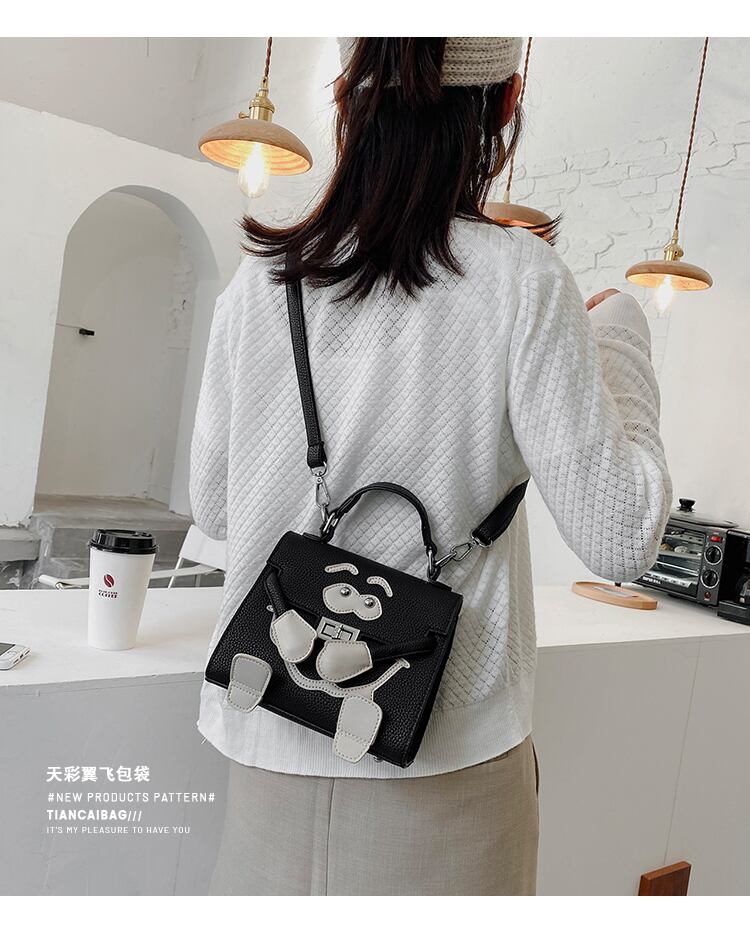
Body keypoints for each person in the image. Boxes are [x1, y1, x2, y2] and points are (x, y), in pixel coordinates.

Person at [190, 37, 672, 896]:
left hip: (268, 746)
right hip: (447, 773)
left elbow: (216, 508)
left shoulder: (262, 280)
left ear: (349, 94)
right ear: (506, 100)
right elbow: (623, 537)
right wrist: (621, 341)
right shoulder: (524, 281)